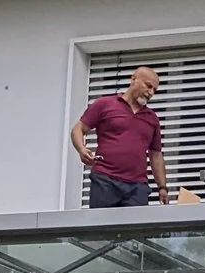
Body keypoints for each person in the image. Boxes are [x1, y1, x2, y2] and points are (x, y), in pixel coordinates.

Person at [70, 66, 170, 207]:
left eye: (155, 90)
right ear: (134, 79)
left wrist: (162, 187)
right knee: (102, 226)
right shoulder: (105, 104)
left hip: (137, 187)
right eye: (148, 86)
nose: (151, 93)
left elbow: (156, 155)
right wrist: (81, 149)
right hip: (105, 180)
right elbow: (78, 129)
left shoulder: (152, 118)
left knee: (134, 229)